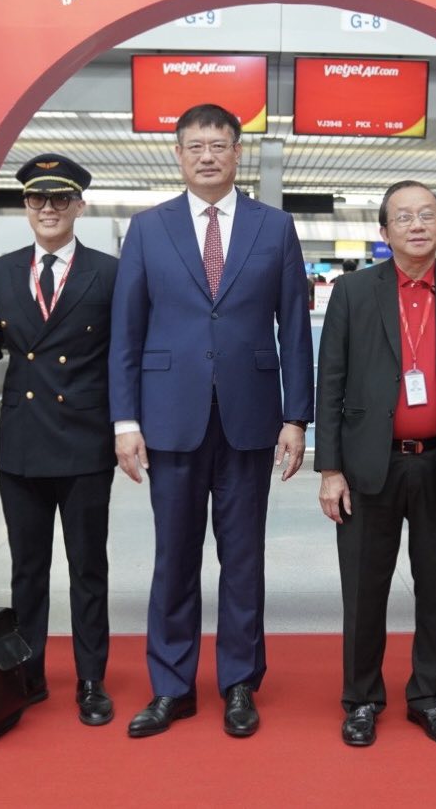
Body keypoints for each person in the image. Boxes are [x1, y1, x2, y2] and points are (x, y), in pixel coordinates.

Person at [110, 103, 313, 739]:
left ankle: (239, 683)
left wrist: (296, 417)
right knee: (173, 557)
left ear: (237, 153)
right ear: (178, 154)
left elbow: (294, 327)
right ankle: (172, 687)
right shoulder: (148, 229)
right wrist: (124, 421)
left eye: (218, 145)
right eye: (194, 146)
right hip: (169, 418)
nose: (206, 156)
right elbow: (126, 333)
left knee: (243, 557)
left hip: (251, 418)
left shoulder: (275, 227)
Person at [315, 180, 436, 748]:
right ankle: (362, 698)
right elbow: (330, 381)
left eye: (426, 215)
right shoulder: (353, 291)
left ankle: (430, 697)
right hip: (369, 466)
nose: (416, 225)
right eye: (403, 217)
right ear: (384, 231)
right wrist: (330, 470)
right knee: (363, 588)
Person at [0, 154, 119, 726]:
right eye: (38, 199)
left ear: (79, 206)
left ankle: (91, 679)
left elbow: (123, 354)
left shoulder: (109, 272)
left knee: (88, 567)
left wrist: (128, 426)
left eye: (60, 199)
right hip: (22, 439)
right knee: (27, 568)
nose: (48, 208)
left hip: (85, 439)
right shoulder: (3, 269)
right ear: (25, 206)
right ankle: (30, 671)